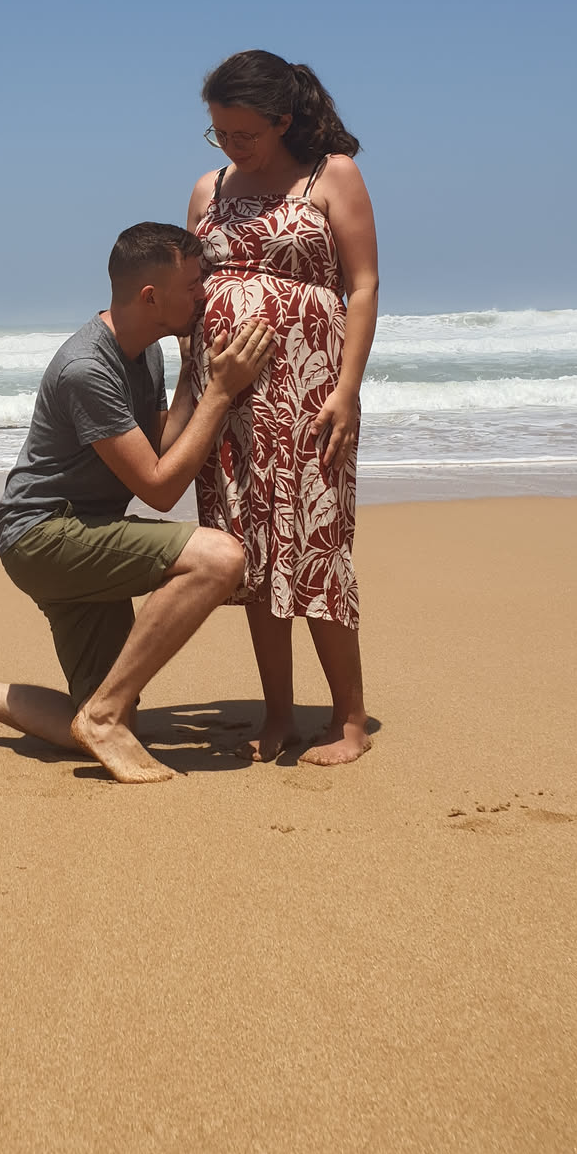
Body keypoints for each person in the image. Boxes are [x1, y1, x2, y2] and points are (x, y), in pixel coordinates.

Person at [0, 222, 275, 784]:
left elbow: (157, 450)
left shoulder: (146, 352)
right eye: (194, 284)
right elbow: (160, 489)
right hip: (44, 535)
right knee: (220, 559)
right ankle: (104, 716)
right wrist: (220, 393)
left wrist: (194, 375)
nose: (204, 293)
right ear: (151, 297)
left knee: (103, 717)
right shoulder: (86, 369)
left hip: (84, 529)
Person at [186, 50, 379, 766]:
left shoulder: (332, 175)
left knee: (318, 547)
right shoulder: (208, 188)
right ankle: (278, 715)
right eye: (220, 133)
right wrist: (188, 399)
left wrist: (347, 390)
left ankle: (349, 719)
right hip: (228, 403)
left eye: (245, 133)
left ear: (283, 120)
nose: (231, 146)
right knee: (252, 556)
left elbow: (363, 285)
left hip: (310, 398)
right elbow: (187, 297)